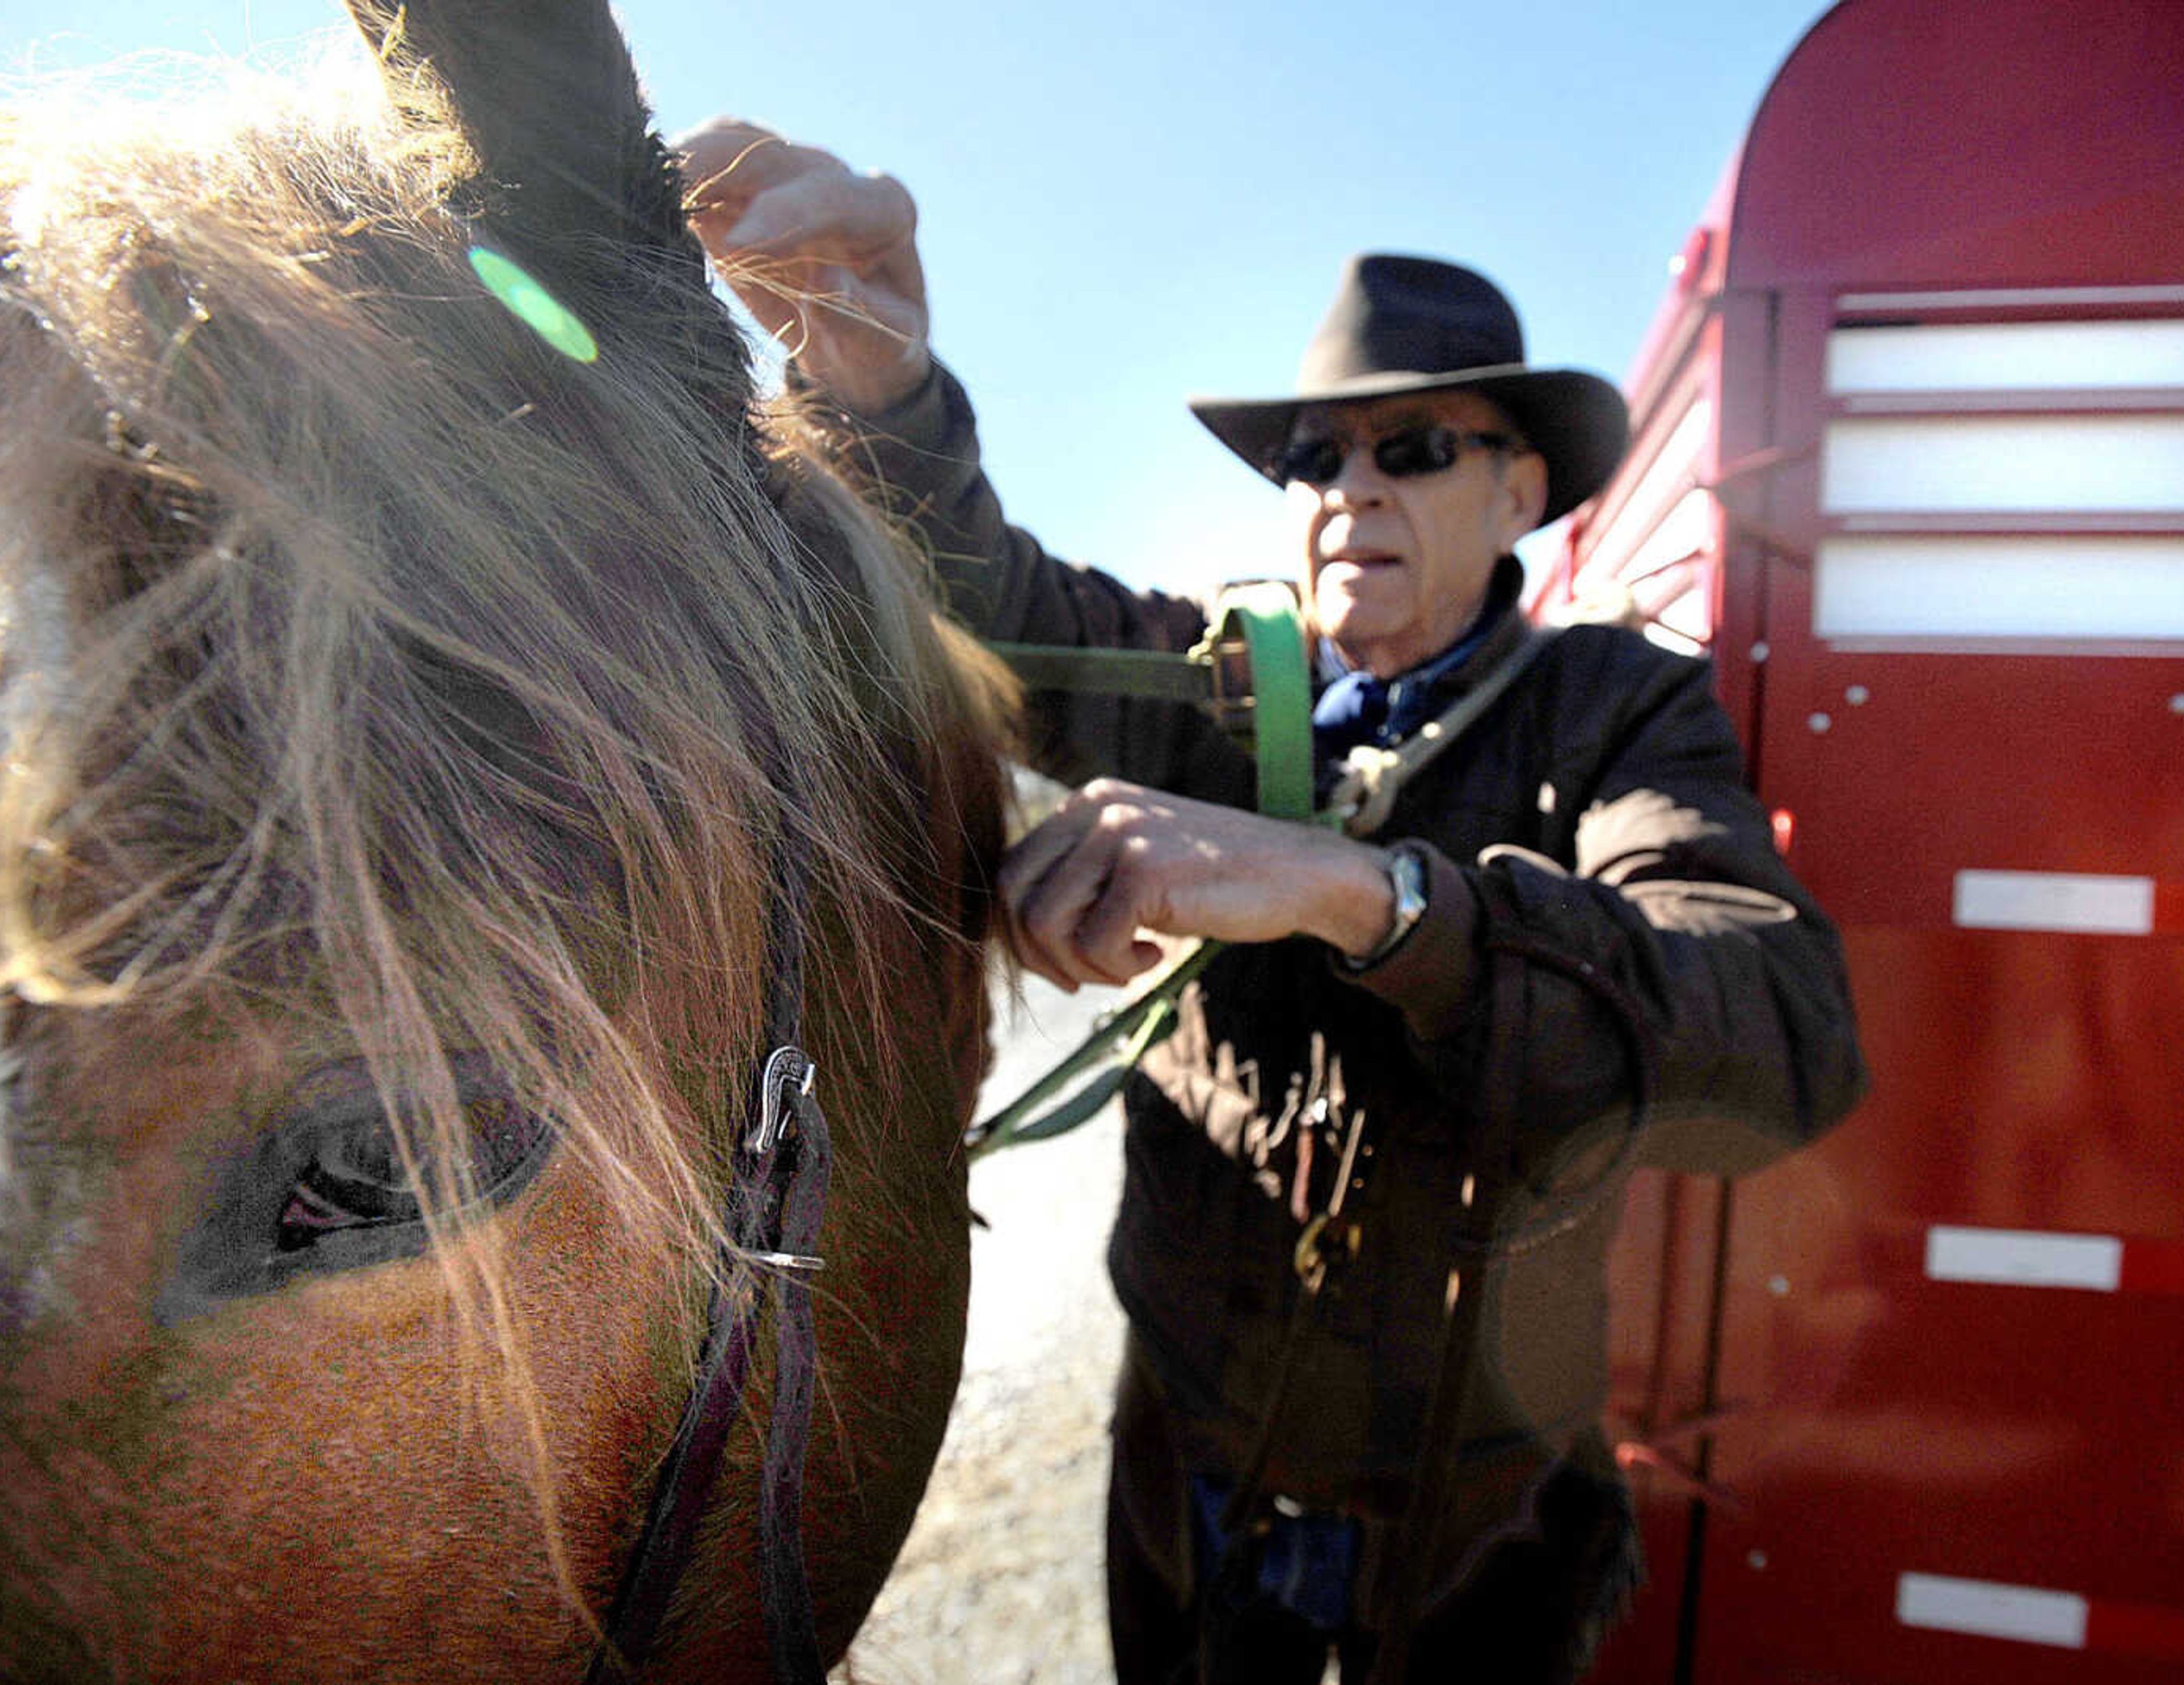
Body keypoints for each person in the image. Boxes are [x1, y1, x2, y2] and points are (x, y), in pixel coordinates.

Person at [678, 121, 1869, 1685]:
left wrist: (1374, 899)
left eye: (1413, 448)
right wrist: (879, 385)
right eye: (1318, 457)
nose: (1349, 489)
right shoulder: (1230, 690)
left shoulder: (1614, 710)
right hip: (1186, 1497)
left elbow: (1778, 1029)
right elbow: (987, 612)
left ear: (1519, 494)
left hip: (1472, 1546)